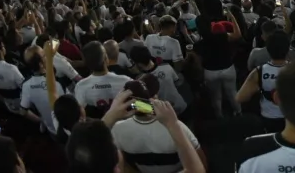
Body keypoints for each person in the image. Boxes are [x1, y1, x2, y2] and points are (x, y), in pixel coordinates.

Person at [69, 91, 205, 173]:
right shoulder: (178, 126)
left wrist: (110, 116)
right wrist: (173, 124)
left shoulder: (118, 130)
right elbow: (196, 170)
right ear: (116, 168)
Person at [110, 77, 207, 173]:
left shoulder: (116, 130)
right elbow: (201, 163)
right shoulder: (178, 129)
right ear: (154, 98)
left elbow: (122, 165)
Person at [236, 30, 291, 133]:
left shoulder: (259, 72)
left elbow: (240, 97)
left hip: (269, 118)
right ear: (288, 49)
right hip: (292, 118)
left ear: (268, 50)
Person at [74, 41, 132, 118]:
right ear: (106, 58)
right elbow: (142, 106)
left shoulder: (81, 86)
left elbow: (80, 115)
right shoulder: (125, 81)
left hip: (97, 128)